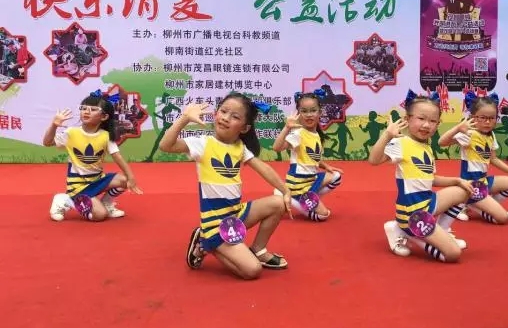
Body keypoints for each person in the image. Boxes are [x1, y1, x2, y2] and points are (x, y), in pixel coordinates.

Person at [158, 93, 292, 280]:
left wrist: (286, 191)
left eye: (235, 116)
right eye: (223, 111)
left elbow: (264, 169)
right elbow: (166, 146)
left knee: (278, 203)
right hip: (215, 224)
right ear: (216, 113)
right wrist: (185, 118)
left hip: (236, 214)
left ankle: (258, 250)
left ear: (245, 128)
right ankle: (206, 242)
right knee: (252, 271)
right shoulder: (203, 143)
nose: (226, 118)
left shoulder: (240, 148)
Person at [368, 90, 474, 263]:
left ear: (438, 124)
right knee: (453, 254)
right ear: (408, 119)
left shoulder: (427, 147)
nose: (426, 125)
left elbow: (430, 179)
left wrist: (457, 180)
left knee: (466, 189)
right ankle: (409, 234)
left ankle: (441, 231)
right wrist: (387, 135)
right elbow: (374, 160)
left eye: (432, 121)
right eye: (421, 118)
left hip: (427, 203)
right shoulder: (401, 142)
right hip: (412, 214)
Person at [44, 90, 142, 222]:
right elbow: (47, 142)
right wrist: (54, 125)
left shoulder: (106, 136)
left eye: (93, 109)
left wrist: (131, 178)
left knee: (124, 180)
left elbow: (117, 157)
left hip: (97, 180)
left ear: (104, 117)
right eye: (84, 108)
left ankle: (107, 203)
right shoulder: (71, 132)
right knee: (99, 215)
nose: (86, 111)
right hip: (77, 186)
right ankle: (65, 200)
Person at [436, 92, 508, 231]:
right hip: (472, 185)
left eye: (492, 118)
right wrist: (458, 128)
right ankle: (474, 204)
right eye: (483, 118)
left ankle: (478, 204)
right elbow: (441, 142)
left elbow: (493, 158)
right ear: (473, 117)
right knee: (502, 218)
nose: (487, 122)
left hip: (483, 182)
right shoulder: (469, 133)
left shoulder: (490, 134)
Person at [272, 90, 344, 222]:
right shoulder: (298, 134)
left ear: (320, 113)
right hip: (298, 184)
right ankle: (294, 199)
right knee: (323, 215)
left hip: (311, 180)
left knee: (336, 177)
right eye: (304, 111)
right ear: (298, 113)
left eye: (313, 110)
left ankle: (309, 199)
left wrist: (326, 166)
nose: (309, 114)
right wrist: (286, 128)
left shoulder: (316, 134)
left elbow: (313, 157)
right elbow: (276, 148)